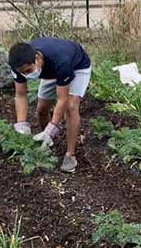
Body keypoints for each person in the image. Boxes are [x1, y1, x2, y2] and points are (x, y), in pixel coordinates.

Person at [7, 37, 92, 173]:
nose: (25, 75)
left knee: (70, 107)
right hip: (50, 72)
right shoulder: (17, 64)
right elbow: (21, 94)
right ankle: (46, 143)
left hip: (76, 67)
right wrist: (21, 124)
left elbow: (62, 99)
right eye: (22, 72)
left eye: (28, 71)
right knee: (41, 110)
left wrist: (52, 128)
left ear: (37, 58)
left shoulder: (61, 60)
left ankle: (70, 155)